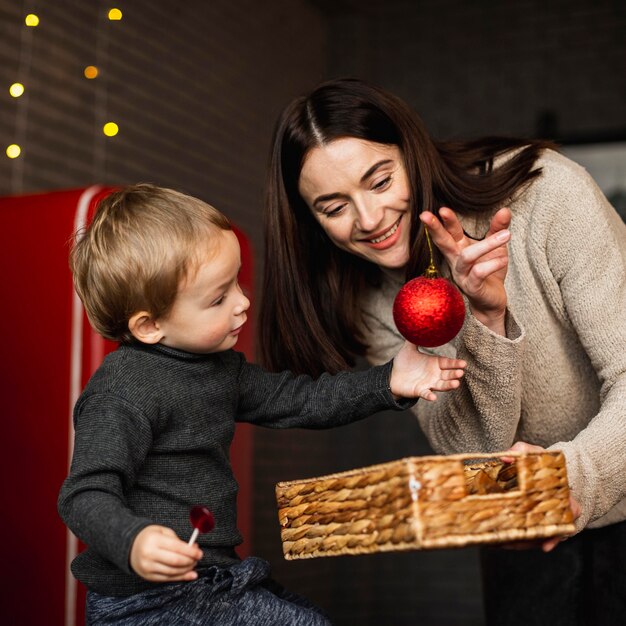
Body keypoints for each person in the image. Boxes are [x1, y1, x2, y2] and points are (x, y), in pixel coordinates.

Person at [259, 77, 626, 626]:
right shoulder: (369, 297)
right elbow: (473, 456)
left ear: (412, 153)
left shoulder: (546, 193)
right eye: (334, 207)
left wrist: (571, 478)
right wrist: (486, 320)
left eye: (380, 181)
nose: (369, 219)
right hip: (527, 537)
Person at [57, 183, 466, 625]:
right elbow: (83, 494)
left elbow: (302, 400)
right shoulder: (122, 391)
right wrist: (132, 542)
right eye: (218, 298)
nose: (243, 303)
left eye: (236, 283)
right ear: (150, 325)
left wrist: (389, 380)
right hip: (146, 603)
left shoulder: (220, 370)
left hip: (212, 579)